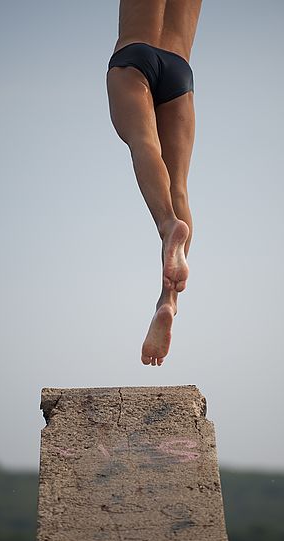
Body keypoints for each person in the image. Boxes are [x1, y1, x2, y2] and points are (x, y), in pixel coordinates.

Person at [107, 0, 202, 366]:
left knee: (144, 143)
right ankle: (169, 302)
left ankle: (167, 226)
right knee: (179, 185)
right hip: (180, 70)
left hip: (134, 55)